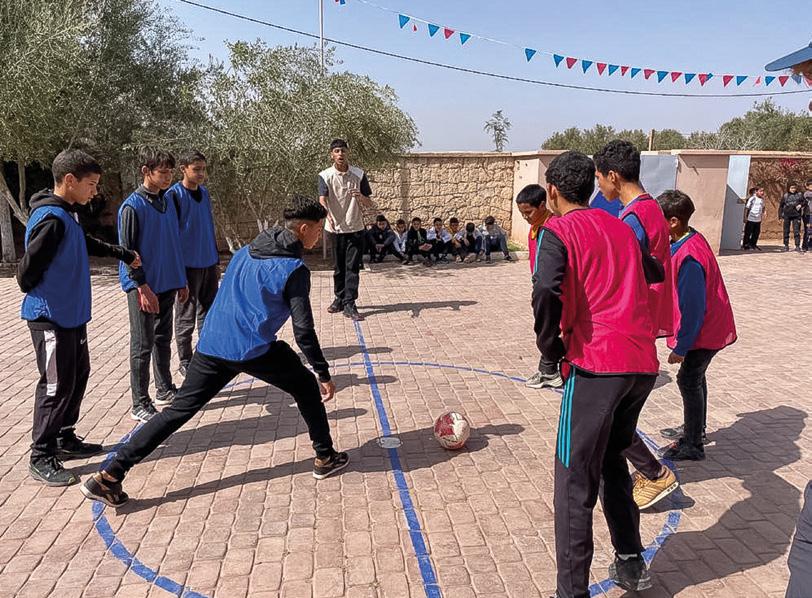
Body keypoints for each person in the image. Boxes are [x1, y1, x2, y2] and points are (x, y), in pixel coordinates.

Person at [80, 197, 348, 507]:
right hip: (252, 348)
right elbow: (303, 330)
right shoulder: (294, 269)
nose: (320, 234)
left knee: (176, 412)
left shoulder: (245, 251)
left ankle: (110, 474)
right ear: (303, 229)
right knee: (307, 386)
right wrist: (323, 372)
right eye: (318, 228)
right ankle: (325, 457)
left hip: (212, 343)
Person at [533, 151, 659, 596]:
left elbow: (545, 289)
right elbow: (654, 271)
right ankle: (631, 560)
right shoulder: (621, 225)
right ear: (591, 186)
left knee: (573, 480)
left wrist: (550, 350)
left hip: (597, 365)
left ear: (551, 190)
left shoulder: (557, 230)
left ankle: (571, 591)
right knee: (610, 459)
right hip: (639, 365)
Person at [18, 149, 141, 486]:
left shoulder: (67, 213)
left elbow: (82, 241)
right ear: (70, 180)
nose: (95, 191)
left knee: (77, 375)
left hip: (72, 315)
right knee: (56, 385)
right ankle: (41, 455)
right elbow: (25, 274)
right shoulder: (51, 219)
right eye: (91, 184)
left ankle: (64, 436)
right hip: (50, 317)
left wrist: (121, 253)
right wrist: (48, 293)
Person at [594, 140, 678, 511]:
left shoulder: (632, 221)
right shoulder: (651, 209)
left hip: (629, 323)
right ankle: (649, 471)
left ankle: (655, 473)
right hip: (643, 318)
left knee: (611, 415)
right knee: (616, 415)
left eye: (599, 179)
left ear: (613, 176)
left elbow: (621, 273)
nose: (599, 187)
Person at [655, 190, 737, 461]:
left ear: (674, 221)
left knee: (688, 379)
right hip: (709, 326)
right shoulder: (688, 237)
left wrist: (681, 347)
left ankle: (693, 444)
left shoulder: (689, 258)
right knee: (696, 377)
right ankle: (696, 428)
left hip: (705, 330)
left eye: (658, 220)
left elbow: (693, 308)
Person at [119, 147, 189, 423]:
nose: (168, 177)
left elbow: (174, 243)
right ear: (146, 171)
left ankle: (164, 388)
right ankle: (140, 402)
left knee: (162, 339)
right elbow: (128, 253)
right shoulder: (132, 207)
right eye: (162, 172)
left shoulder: (169, 201)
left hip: (167, 282)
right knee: (142, 344)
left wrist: (181, 279)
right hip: (143, 287)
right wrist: (141, 287)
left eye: (170, 172)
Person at [165, 150, 220, 378]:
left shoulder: (204, 193)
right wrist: (177, 272)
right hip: (187, 267)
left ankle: (205, 356)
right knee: (185, 316)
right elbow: (170, 236)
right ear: (183, 169)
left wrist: (216, 261)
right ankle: (185, 360)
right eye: (196, 169)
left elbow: (207, 227)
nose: (201, 174)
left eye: (203, 169)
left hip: (209, 263)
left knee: (208, 314)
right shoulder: (173, 196)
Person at [318, 139, 373, 321]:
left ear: (347, 153)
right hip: (334, 228)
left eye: (342, 150)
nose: (340, 154)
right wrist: (327, 215)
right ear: (331, 155)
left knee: (352, 267)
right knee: (338, 267)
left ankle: (350, 303)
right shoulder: (325, 175)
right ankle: (339, 298)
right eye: (336, 151)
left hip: (355, 226)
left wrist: (360, 196)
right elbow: (322, 199)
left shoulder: (359, 174)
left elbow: (369, 202)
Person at [515, 184, 561, 390]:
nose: (525, 217)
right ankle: (550, 368)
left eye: (528, 212)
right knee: (547, 329)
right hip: (540, 285)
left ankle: (550, 370)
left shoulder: (553, 226)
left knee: (549, 330)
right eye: (522, 213)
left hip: (552, 289)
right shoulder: (535, 227)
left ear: (542, 205)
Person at [779, 183, 805, 252]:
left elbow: (804, 202)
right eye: (792, 188)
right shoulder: (785, 196)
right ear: (788, 188)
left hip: (796, 215)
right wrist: (780, 216)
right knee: (786, 231)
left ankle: (797, 246)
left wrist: (800, 205)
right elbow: (781, 206)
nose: (793, 189)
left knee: (796, 231)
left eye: (794, 188)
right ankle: (786, 245)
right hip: (787, 215)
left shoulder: (799, 195)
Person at [743, 186, 766, 251]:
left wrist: (764, 212)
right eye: (760, 191)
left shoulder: (762, 199)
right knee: (748, 233)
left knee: (756, 233)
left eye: (763, 191)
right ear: (756, 191)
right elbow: (747, 208)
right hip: (751, 218)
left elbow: (763, 207)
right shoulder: (752, 198)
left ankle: (753, 245)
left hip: (758, 219)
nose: (762, 193)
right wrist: (745, 217)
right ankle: (746, 245)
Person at [803, 180, 812, 253]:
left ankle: (810, 246)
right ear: (807, 186)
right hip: (808, 215)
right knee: (808, 230)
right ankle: (805, 246)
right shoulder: (807, 193)